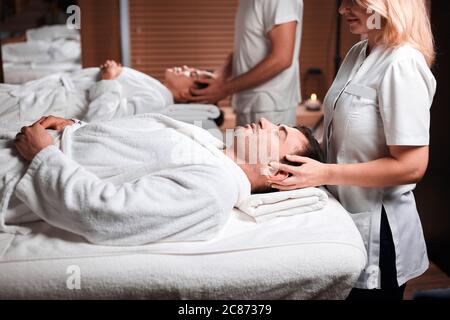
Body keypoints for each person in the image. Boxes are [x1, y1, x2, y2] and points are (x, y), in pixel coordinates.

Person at [268, 0, 436, 300]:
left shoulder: (402, 63)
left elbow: (411, 166)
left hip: (381, 231)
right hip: (344, 217)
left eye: (352, 2)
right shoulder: (358, 53)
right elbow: (343, 135)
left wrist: (324, 173)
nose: (342, 9)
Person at [0, 115, 322, 246]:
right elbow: (134, 147)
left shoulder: (214, 190)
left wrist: (43, 155)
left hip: (17, 175)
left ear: (276, 171)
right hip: (32, 145)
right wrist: (78, 125)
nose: (265, 121)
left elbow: (106, 213)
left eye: (278, 133)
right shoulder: (211, 146)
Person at [187, 0, 303, 127]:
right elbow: (247, 46)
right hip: (246, 104)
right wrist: (220, 75)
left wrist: (224, 89)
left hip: (269, 107)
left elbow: (281, 59)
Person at [0, 61, 213, 123]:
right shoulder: (156, 90)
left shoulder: (157, 100)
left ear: (187, 95)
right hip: (40, 95)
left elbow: (101, 118)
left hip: (45, 104)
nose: (185, 68)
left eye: (192, 74)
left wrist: (108, 79)